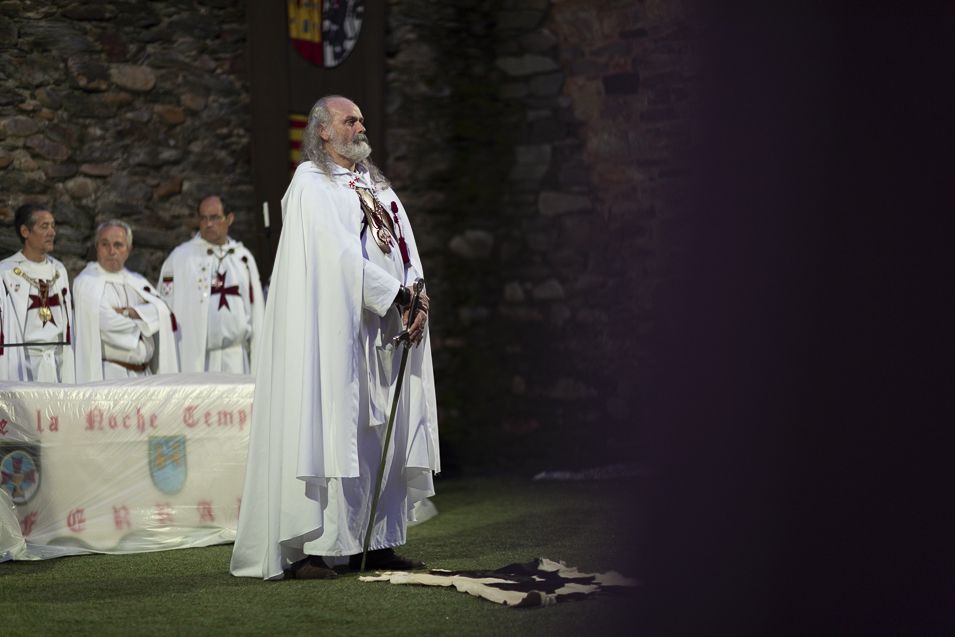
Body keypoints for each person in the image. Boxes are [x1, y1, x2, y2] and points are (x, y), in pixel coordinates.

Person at [230, 95, 440, 580]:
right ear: (323, 131)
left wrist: (417, 295)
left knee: (377, 431)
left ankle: (377, 542)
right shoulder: (311, 185)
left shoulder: (375, 185)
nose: (360, 126)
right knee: (332, 431)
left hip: (382, 333)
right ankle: (316, 548)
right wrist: (395, 295)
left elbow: (407, 248)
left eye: (363, 119)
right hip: (335, 336)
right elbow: (335, 258)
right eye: (351, 120)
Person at [157, 196, 264, 374]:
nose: (208, 224)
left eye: (214, 218)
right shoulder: (181, 258)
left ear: (229, 219)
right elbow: (165, 310)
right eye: (203, 218)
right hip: (197, 359)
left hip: (237, 359)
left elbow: (257, 312)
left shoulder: (243, 258)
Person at [72, 220, 179, 382]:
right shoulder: (86, 283)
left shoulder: (137, 281)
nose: (111, 251)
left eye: (118, 245)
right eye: (104, 244)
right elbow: (107, 324)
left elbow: (164, 311)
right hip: (110, 375)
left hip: (145, 375)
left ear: (128, 250)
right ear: (97, 247)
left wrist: (128, 312)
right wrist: (147, 322)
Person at [0, 204, 75, 383]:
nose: (52, 232)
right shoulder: (6, 272)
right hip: (23, 363)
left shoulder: (58, 270)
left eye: (53, 225)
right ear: (25, 231)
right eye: (44, 226)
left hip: (57, 362)